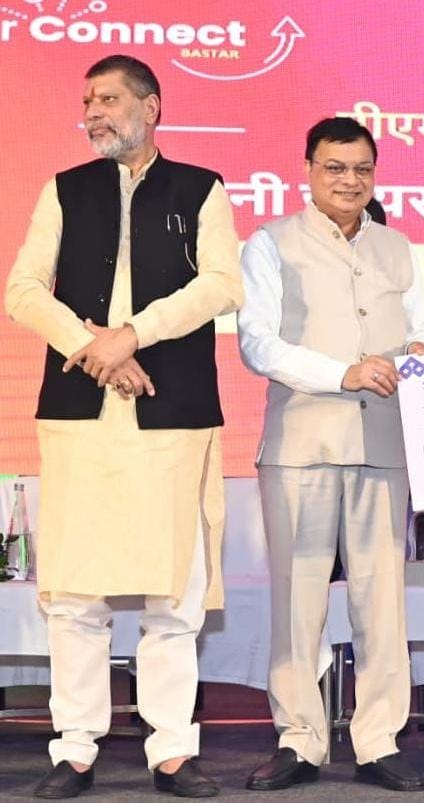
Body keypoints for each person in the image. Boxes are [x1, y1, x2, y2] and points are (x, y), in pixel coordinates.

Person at [4, 54, 243, 798]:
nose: (93, 113)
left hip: (173, 415)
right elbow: (22, 291)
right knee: (77, 592)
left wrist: (133, 334)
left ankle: (170, 750)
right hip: (82, 414)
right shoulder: (64, 189)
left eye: (108, 99)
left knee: (173, 593)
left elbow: (222, 285)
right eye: (87, 101)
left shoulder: (201, 188)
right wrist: (94, 347)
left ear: (152, 106)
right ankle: (74, 748)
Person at [237, 117, 424, 793]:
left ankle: (378, 741)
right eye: (335, 167)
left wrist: (419, 351)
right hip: (302, 443)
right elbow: (258, 343)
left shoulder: (397, 246)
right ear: (308, 170)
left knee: (383, 602)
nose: (349, 181)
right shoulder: (271, 243)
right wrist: (342, 373)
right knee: (298, 601)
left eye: (361, 169)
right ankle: (299, 739)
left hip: (384, 443)